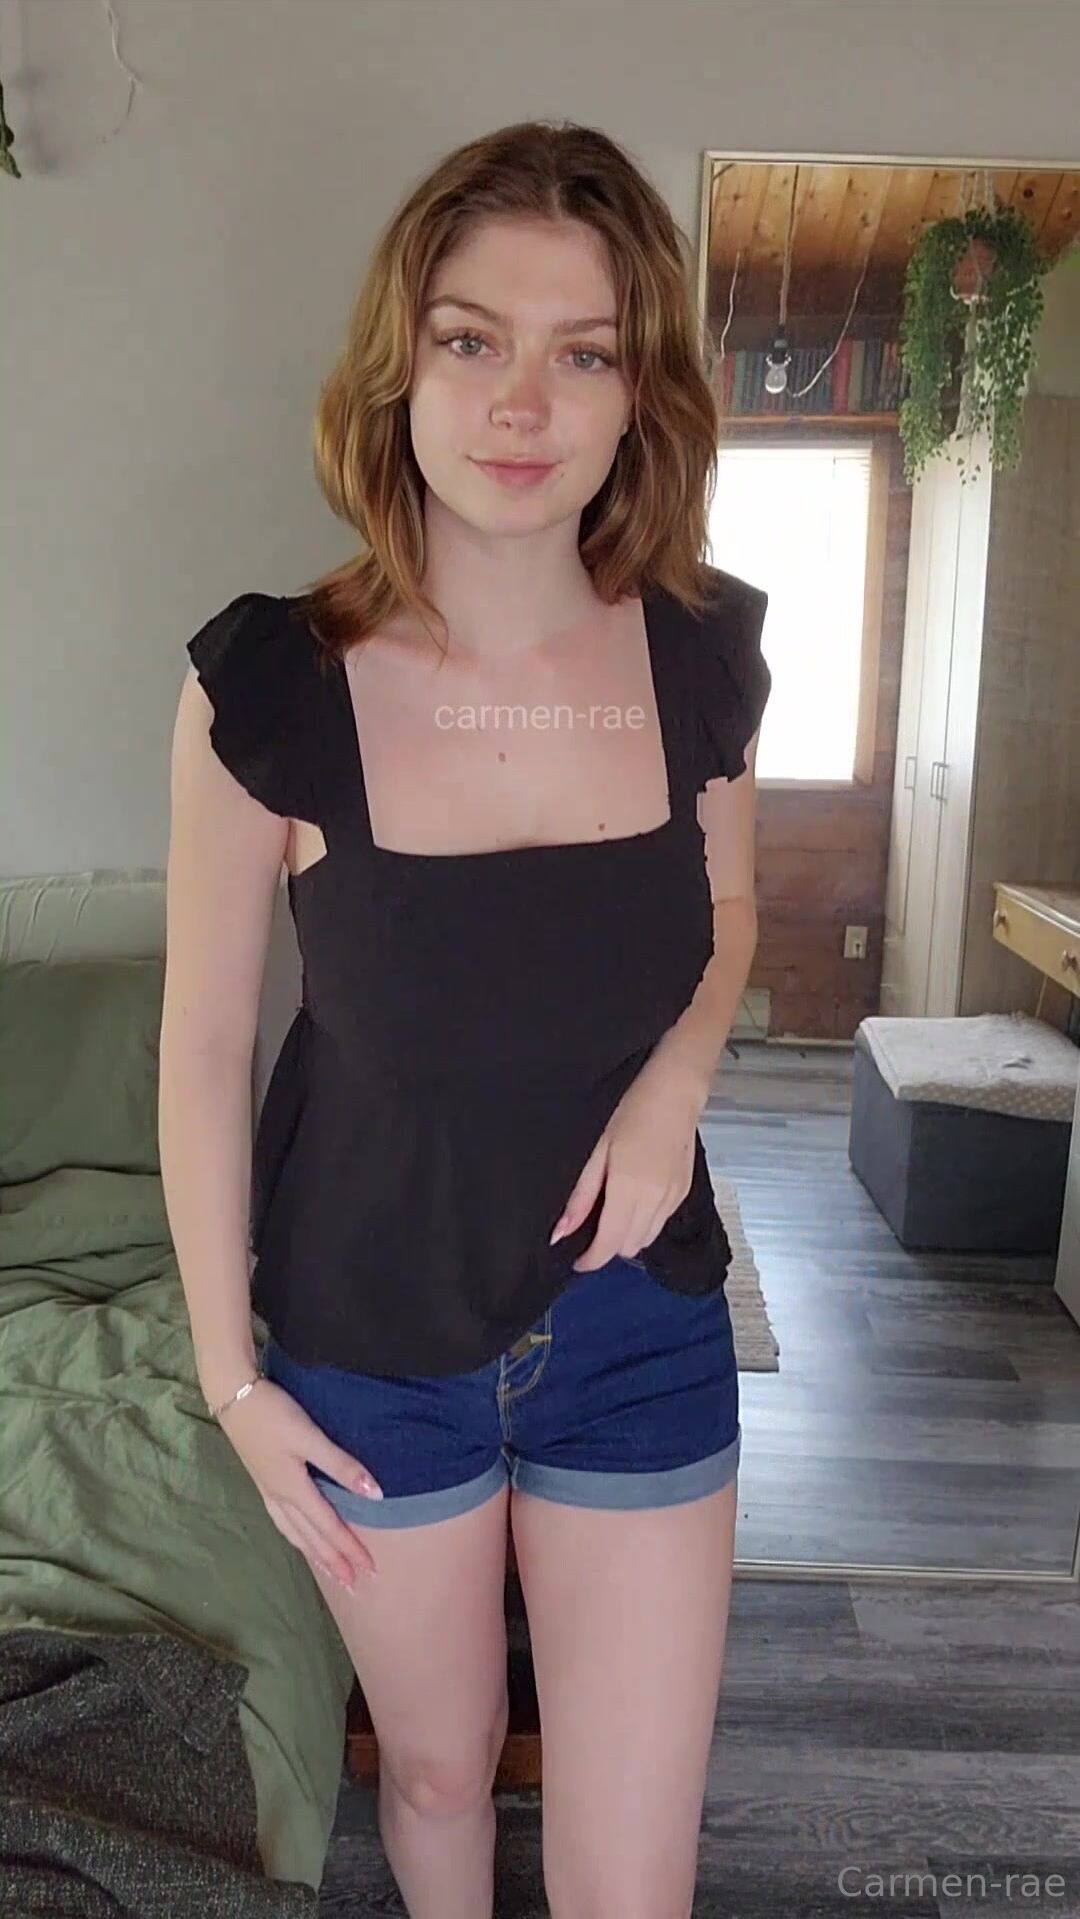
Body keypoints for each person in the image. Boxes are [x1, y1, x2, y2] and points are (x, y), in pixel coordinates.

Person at [160, 118, 770, 1919]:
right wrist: (229, 1380)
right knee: (434, 1775)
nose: (522, 402)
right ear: (401, 366)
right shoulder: (267, 685)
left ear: (639, 396)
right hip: (366, 1348)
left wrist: (673, 1086)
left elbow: (732, 914)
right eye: (471, 339)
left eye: (583, 352)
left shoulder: (700, 653)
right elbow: (203, 1045)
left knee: (629, 1874)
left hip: (637, 1325)